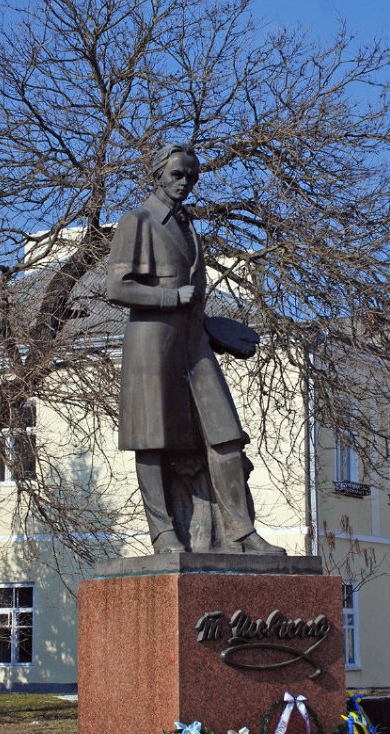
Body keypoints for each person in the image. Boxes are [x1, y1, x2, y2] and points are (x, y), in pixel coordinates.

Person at [107, 142, 284, 555]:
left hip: (194, 343)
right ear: (157, 174)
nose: (185, 183)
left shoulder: (188, 226)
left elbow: (192, 295)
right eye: (177, 175)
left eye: (192, 176)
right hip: (151, 345)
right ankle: (163, 533)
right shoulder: (138, 220)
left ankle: (242, 532)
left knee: (226, 436)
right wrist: (171, 299)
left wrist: (213, 328)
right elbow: (116, 287)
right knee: (152, 440)